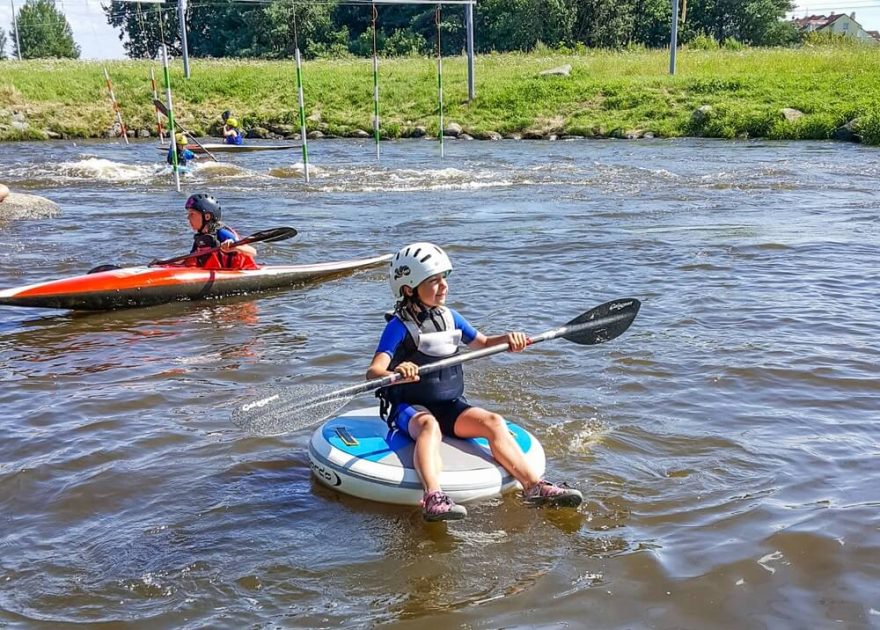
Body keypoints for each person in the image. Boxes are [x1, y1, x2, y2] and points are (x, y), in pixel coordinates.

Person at [367, 242, 583, 522]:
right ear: (409, 289)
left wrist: (509, 339)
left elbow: (483, 343)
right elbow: (374, 371)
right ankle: (433, 496)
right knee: (429, 426)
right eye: (433, 281)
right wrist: (397, 371)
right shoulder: (398, 326)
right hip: (410, 408)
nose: (444, 286)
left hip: (449, 405)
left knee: (493, 421)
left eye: (444, 277)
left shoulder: (450, 317)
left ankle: (534, 487)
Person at [184, 193, 258, 270]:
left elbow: (253, 252)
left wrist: (235, 247)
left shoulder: (222, 233)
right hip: (216, 270)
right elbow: (191, 259)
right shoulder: (200, 238)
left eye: (192, 214)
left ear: (207, 216)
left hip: (240, 270)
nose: (188, 218)